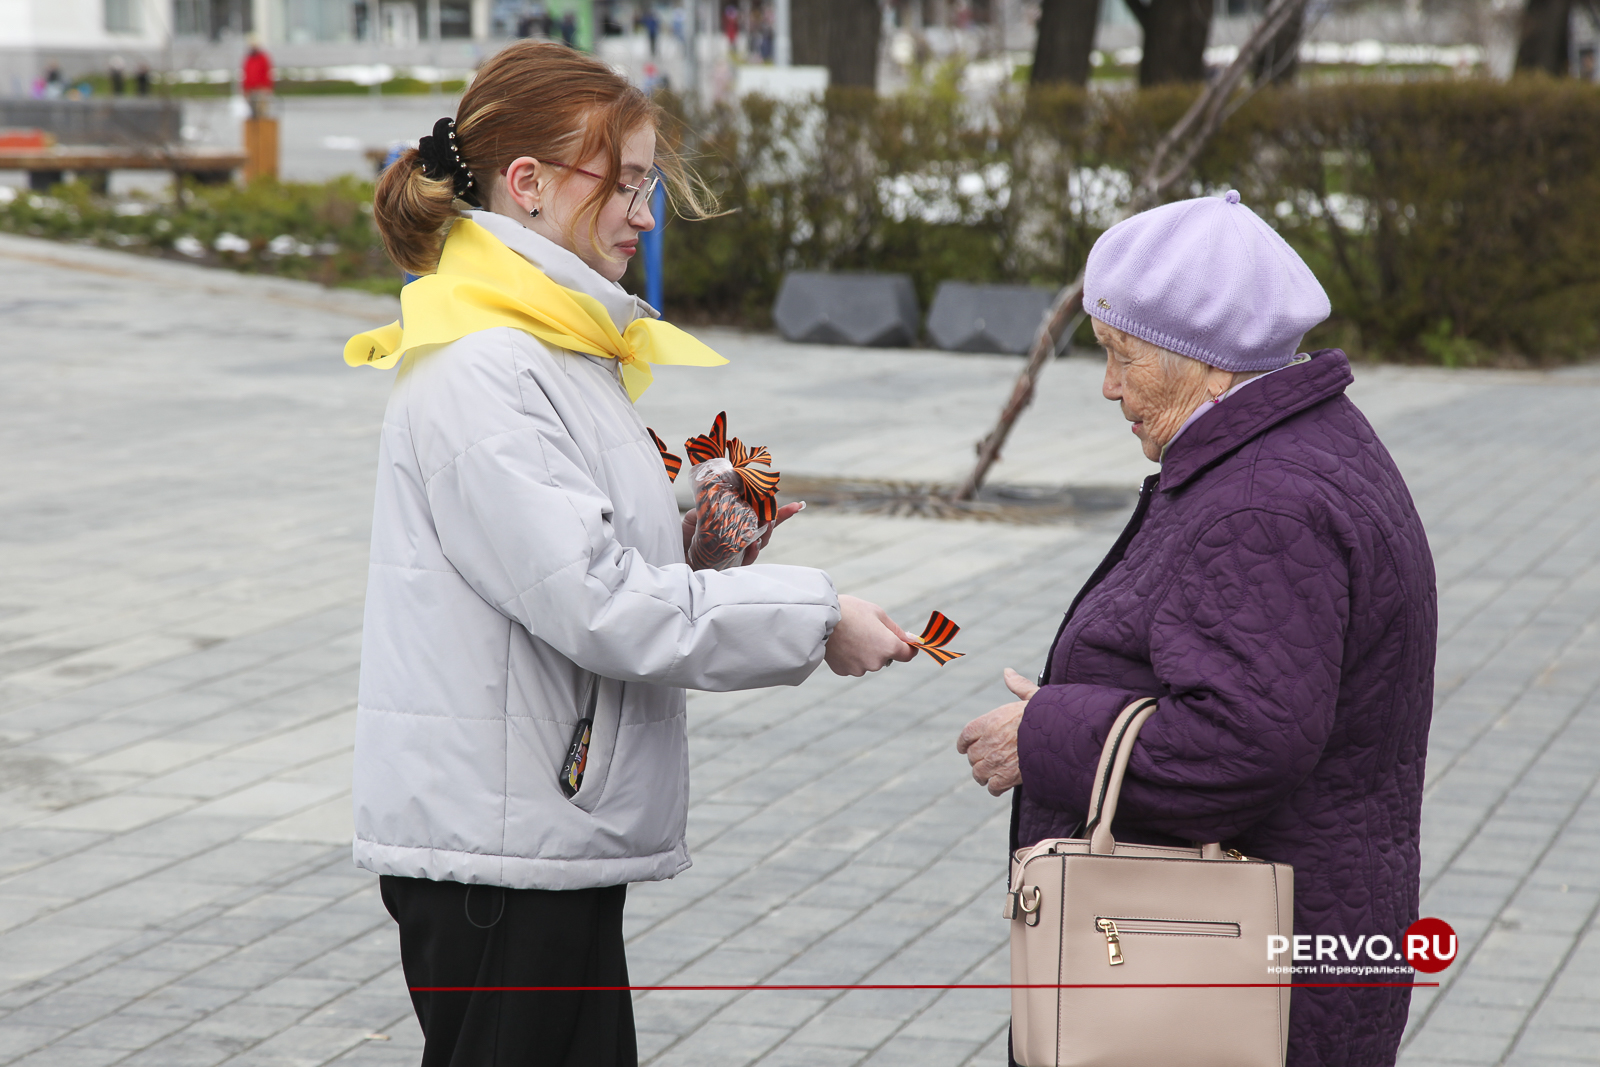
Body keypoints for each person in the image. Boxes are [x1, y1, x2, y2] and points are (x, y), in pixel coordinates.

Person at [349, 40, 916, 1066]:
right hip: (501, 855)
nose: (646, 215)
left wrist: (698, 530)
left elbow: (575, 556)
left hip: (535, 833)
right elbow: (598, 599)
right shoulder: (486, 367)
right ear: (529, 185)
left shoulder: (548, 344)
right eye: (630, 183)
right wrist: (818, 616)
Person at [958, 191, 1436, 1067]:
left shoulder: (1264, 501)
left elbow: (1241, 742)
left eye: (1122, 356)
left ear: (1210, 362)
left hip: (1232, 986)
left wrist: (1048, 733)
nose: (1108, 385)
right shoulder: (1294, 446)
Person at [241, 39, 273, 119]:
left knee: (262, 111)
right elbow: (245, 74)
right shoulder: (248, 59)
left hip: (261, 88)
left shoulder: (263, 58)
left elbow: (267, 73)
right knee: (252, 111)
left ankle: (263, 128)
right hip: (250, 89)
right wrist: (245, 88)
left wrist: (268, 87)